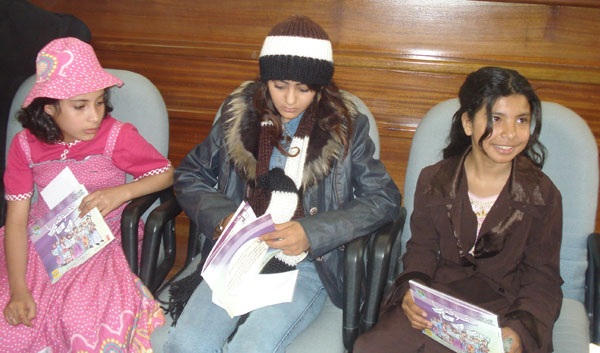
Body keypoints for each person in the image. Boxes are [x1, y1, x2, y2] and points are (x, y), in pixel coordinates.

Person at [164, 15, 401, 353]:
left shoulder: (346, 127)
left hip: (306, 264)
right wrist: (222, 218)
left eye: (304, 89)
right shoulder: (237, 117)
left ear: (320, 88)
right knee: (188, 344)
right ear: (265, 81)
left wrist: (312, 232)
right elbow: (189, 174)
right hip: (238, 255)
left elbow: (384, 198)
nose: (290, 100)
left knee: (250, 348)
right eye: (279, 86)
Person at [353, 66, 563, 353]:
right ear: (468, 123)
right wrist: (411, 291)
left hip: (504, 312)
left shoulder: (543, 195)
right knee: (371, 347)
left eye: (521, 120)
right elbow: (421, 250)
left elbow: (543, 279)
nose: (510, 134)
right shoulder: (435, 179)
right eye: (496, 119)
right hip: (439, 303)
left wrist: (516, 333)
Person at [0, 37, 173, 352]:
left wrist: (121, 193)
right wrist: (18, 289)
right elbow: (15, 221)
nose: (95, 115)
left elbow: (165, 174)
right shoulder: (24, 145)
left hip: (103, 241)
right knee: (11, 320)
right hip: (41, 240)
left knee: (81, 318)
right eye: (80, 106)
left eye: (100, 101)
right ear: (49, 107)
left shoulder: (115, 135)